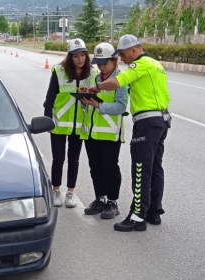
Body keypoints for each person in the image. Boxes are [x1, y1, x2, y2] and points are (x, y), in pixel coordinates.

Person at [88, 34, 171, 232]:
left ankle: (137, 216)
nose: (123, 59)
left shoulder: (140, 64)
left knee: (141, 169)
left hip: (147, 122)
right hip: (161, 120)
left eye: (124, 54)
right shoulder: (156, 64)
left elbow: (118, 82)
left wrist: (96, 87)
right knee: (155, 168)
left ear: (134, 49)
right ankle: (153, 211)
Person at [43, 39, 98, 208]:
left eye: (83, 55)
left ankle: (70, 192)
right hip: (59, 123)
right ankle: (56, 190)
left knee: (74, 159)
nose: (80, 59)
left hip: (79, 124)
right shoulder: (59, 71)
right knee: (58, 158)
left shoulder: (92, 73)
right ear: (70, 57)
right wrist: (47, 121)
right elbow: (49, 99)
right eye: (76, 56)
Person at [78, 43, 129, 219]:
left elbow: (121, 106)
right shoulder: (94, 79)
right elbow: (86, 105)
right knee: (95, 168)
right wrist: (83, 98)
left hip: (109, 134)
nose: (101, 67)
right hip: (91, 133)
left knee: (110, 168)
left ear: (114, 61)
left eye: (104, 63)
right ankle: (100, 199)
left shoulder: (120, 80)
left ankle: (112, 202)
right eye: (98, 63)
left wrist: (99, 105)